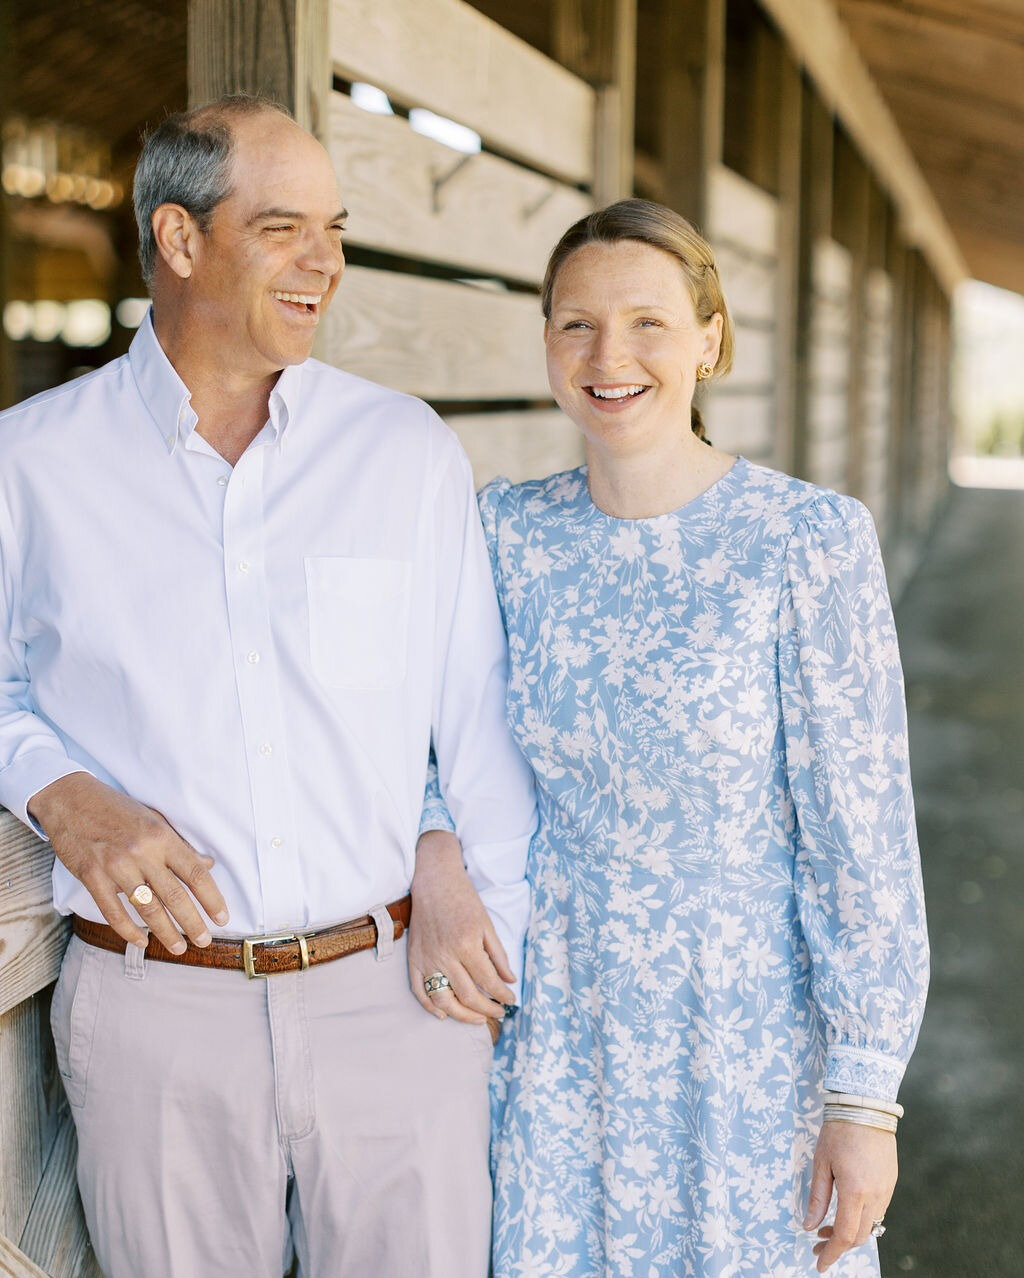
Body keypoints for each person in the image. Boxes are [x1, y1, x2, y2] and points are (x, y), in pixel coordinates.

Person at [0, 95, 536, 1278]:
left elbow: (473, 718)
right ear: (182, 241)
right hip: (155, 1021)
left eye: (334, 230)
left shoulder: (403, 452)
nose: (326, 263)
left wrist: (480, 912)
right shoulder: (28, 463)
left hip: (396, 999)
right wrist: (58, 790)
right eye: (286, 228)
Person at [420, 199, 929, 1277]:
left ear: (709, 338)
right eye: (576, 325)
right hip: (560, 1026)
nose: (609, 357)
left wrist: (864, 1096)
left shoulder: (806, 540)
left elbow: (862, 837)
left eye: (648, 322)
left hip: (746, 1032)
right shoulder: (505, 531)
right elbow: (420, 730)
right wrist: (435, 854)